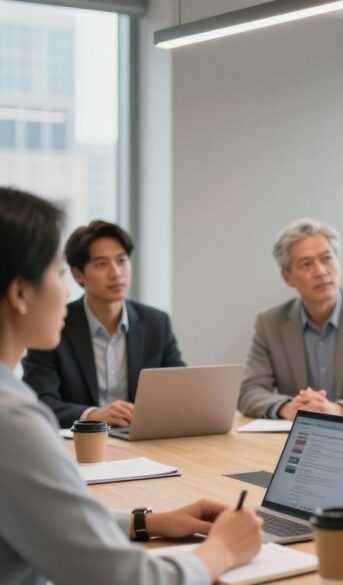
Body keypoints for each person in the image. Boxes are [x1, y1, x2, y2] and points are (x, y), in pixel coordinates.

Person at [0, 186, 262, 584]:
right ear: (20, 292)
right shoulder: (12, 421)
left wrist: (147, 521)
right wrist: (223, 549)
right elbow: (123, 579)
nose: (65, 291)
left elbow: (46, 514)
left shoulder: (153, 322)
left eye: (121, 261)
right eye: (56, 273)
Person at [22, 220, 186, 428]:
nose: (116, 273)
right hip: (79, 445)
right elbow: (41, 402)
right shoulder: (52, 326)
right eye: (101, 264)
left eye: (122, 260)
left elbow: (180, 392)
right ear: (77, 274)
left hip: (139, 441)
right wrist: (94, 415)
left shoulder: (156, 323)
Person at [238, 218, 343, 419]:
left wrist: (338, 410)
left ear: (338, 262)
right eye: (306, 264)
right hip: (297, 438)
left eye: (327, 259)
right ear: (287, 277)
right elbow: (248, 391)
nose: (321, 271)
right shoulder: (269, 323)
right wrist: (289, 408)